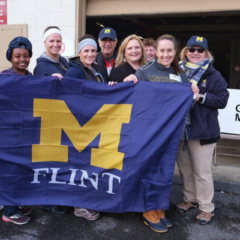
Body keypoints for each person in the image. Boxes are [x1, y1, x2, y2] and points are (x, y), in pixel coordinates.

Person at [135, 34, 199, 233]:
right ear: (155, 51)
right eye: (161, 50)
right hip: (150, 133)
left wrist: (194, 94)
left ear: (175, 52)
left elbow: (185, 104)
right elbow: (135, 101)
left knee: (164, 172)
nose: (165, 54)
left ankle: (159, 207)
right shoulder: (144, 71)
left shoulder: (180, 74)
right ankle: (148, 210)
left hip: (171, 134)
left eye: (169, 51)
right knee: (150, 171)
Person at [176, 36, 229, 225]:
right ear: (186, 51)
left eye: (200, 50)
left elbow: (222, 100)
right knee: (185, 169)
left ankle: (206, 208)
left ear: (206, 53)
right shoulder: (177, 72)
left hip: (203, 132)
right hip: (180, 130)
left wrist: (200, 97)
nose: (195, 53)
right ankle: (190, 199)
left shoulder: (213, 75)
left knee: (202, 171)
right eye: (192, 49)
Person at [34, 26, 68, 216]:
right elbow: (37, 94)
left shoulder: (64, 62)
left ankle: (57, 197)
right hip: (48, 122)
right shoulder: (42, 66)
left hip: (63, 119)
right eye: (51, 41)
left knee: (60, 162)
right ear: (45, 43)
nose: (55, 44)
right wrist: (48, 82)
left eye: (58, 41)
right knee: (49, 163)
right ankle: (48, 203)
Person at [1, 36, 33, 225]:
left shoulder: (31, 78)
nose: (22, 59)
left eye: (26, 55)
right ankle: (9, 211)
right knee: (10, 172)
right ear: (10, 57)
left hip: (26, 134)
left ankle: (16, 203)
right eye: (18, 56)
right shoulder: (5, 78)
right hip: (8, 136)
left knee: (21, 172)